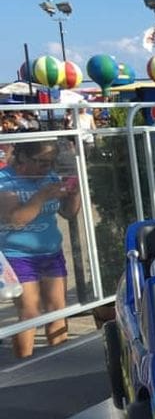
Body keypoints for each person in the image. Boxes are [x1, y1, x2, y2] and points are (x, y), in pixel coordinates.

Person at [0, 140, 81, 358]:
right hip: (17, 255)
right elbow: (16, 220)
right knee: (30, 314)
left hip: (50, 251)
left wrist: (74, 194)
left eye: (51, 163)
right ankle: (24, 365)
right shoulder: (5, 181)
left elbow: (69, 214)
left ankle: (59, 360)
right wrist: (42, 196)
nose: (47, 168)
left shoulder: (49, 177)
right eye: (41, 162)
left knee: (58, 311)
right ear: (23, 157)